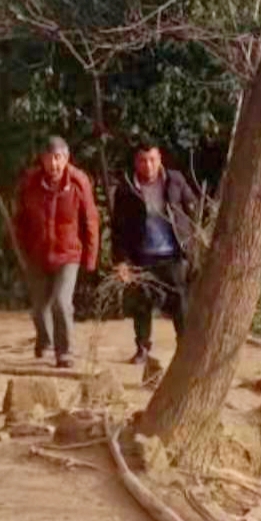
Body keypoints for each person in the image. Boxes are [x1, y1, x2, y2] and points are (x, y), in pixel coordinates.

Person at [13, 137, 100, 368]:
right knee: (39, 308)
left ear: (67, 158)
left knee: (61, 302)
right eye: (49, 159)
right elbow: (20, 221)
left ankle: (66, 352)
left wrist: (90, 259)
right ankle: (46, 343)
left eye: (58, 158)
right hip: (38, 252)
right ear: (42, 160)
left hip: (68, 253)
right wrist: (23, 251)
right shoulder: (30, 183)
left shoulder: (79, 182)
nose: (54, 164)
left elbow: (91, 221)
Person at [111, 140, 199, 365]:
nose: (148, 165)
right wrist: (122, 261)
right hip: (143, 255)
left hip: (173, 253)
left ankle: (185, 347)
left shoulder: (175, 180)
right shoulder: (127, 189)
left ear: (160, 159)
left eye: (152, 160)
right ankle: (142, 348)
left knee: (181, 303)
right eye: (143, 160)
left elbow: (193, 206)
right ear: (136, 162)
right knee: (141, 303)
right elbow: (118, 229)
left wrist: (190, 238)